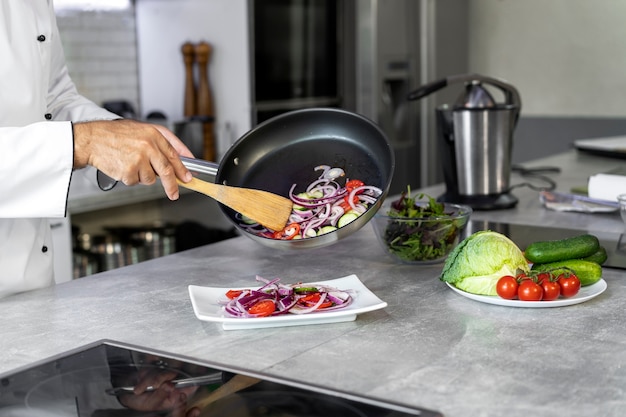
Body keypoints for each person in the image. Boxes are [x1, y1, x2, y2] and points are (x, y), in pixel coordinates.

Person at [0, 1, 194, 299]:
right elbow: (78, 138)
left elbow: (55, 101)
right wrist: (84, 143)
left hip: (34, 298)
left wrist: (121, 133)